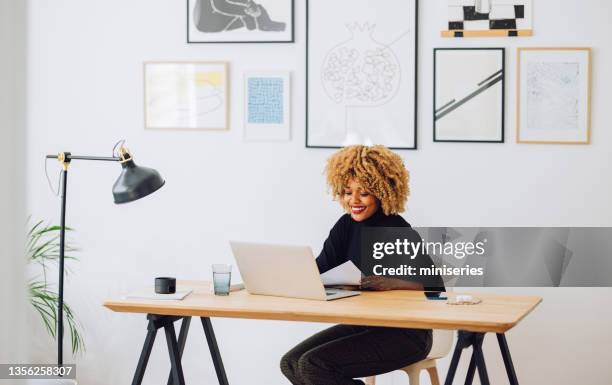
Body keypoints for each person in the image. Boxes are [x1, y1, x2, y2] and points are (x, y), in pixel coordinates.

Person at [280, 145, 444, 385]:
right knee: (292, 363)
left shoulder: (397, 230)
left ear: (382, 192)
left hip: (406, 334)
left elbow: (437, 289)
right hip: (364, 325)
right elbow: (319, 271)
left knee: (314, 365)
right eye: (347, 192)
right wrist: (285, 275)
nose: (353, 200)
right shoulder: (346, 225)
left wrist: (393, 283)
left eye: (364, 193)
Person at [193, 0, 286, 33]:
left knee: (253, 8)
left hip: (206, 21)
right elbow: (220, 6)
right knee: (256, 9)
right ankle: (264, 24)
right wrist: (247, 11)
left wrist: (249, 5)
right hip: (208, 21)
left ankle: (256, 23)